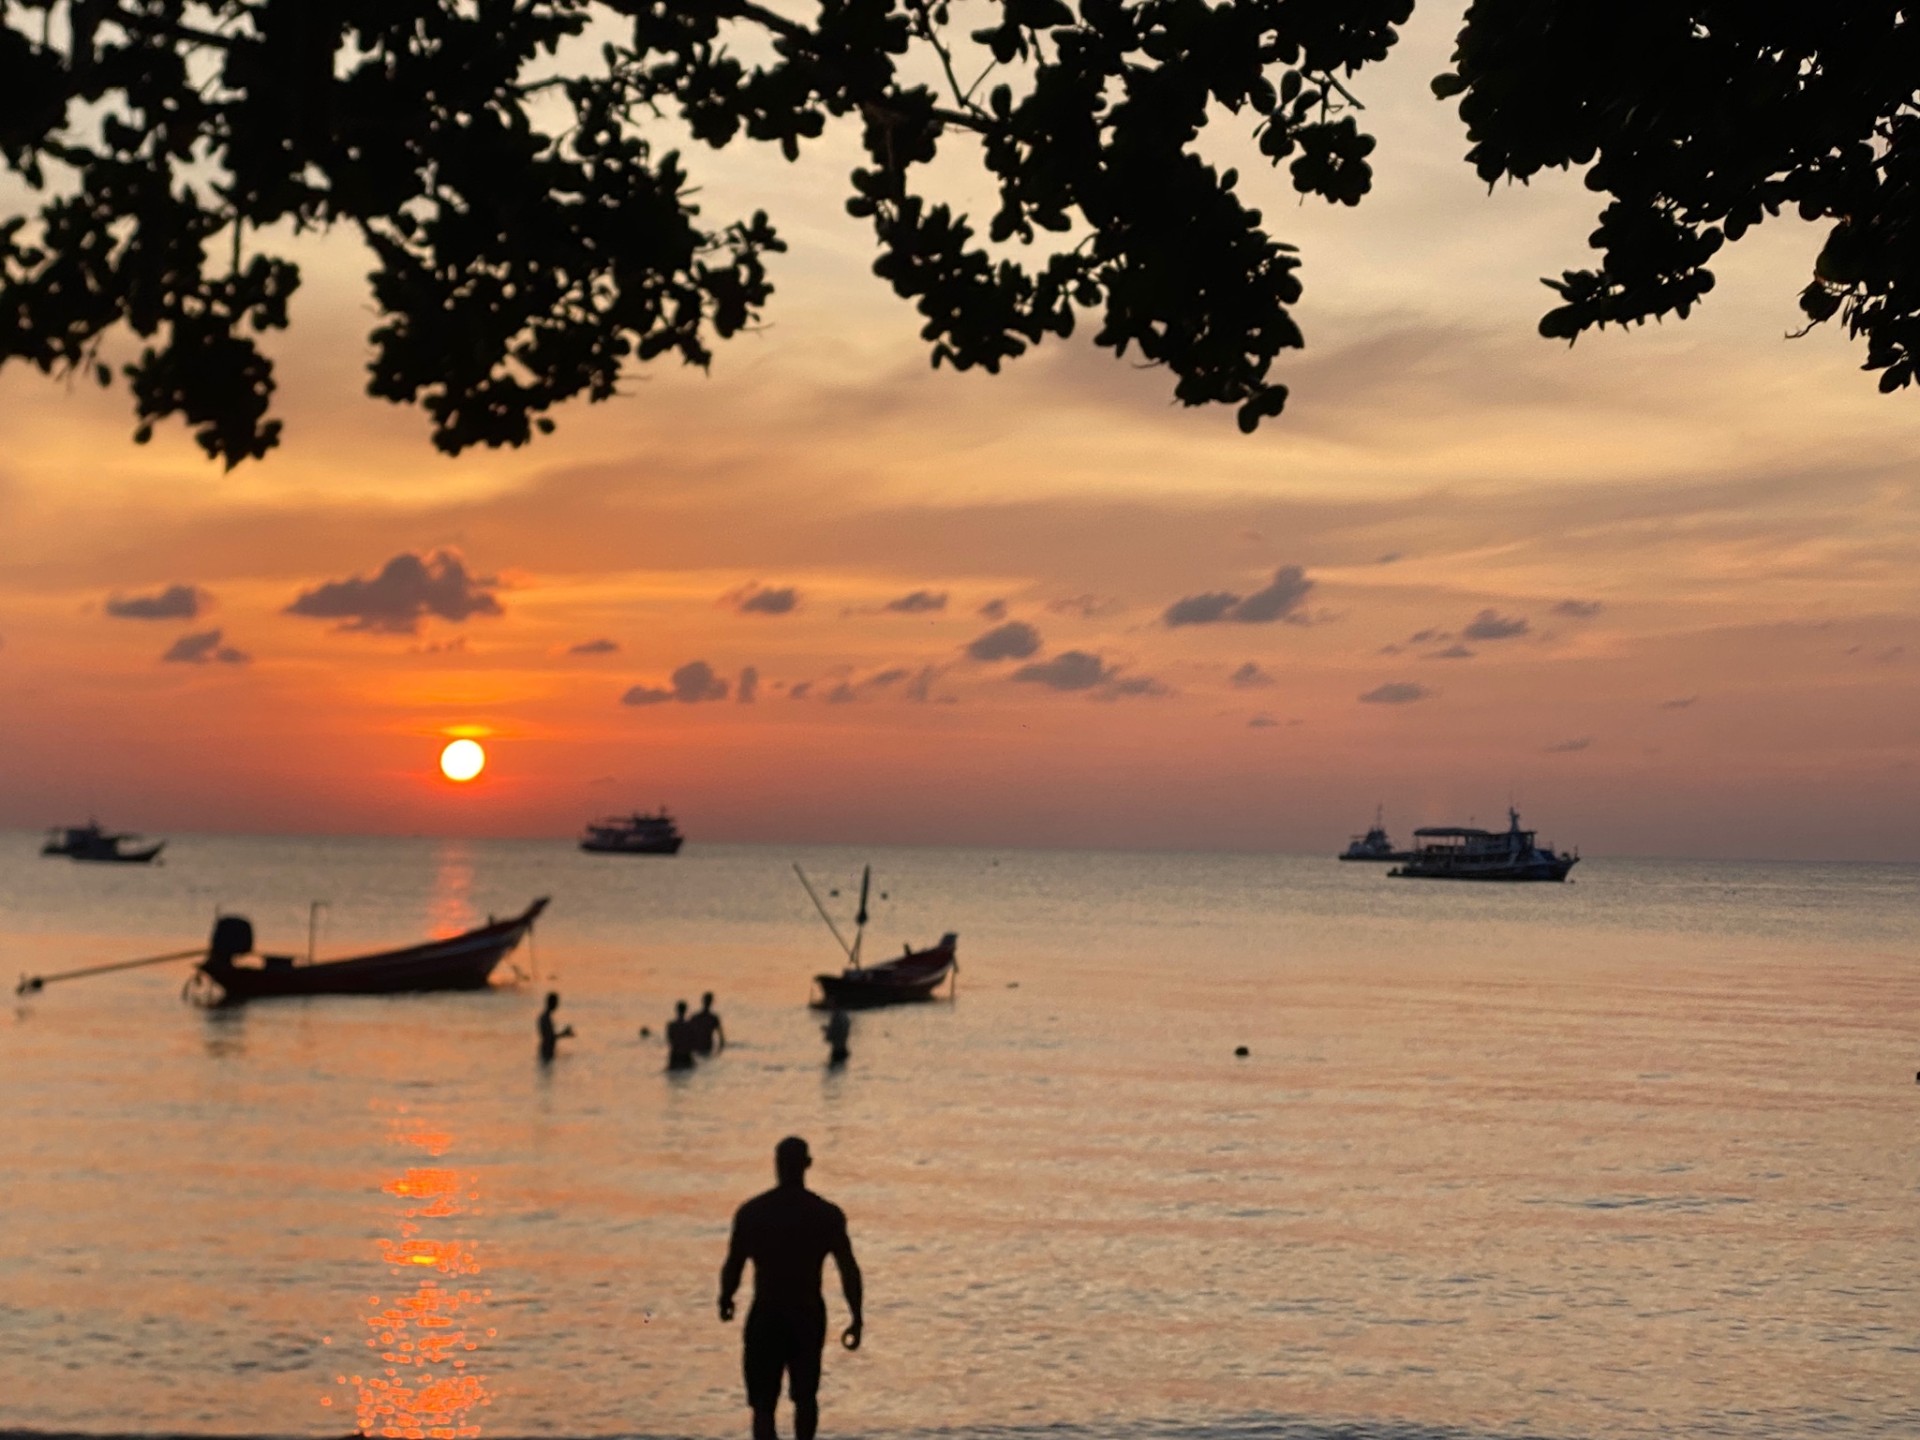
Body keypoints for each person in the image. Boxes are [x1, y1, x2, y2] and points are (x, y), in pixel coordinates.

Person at [719, 1137, 863, 1440]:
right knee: (805, 1397)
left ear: (777, 1165)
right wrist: (856, 1316)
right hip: (806, 1314)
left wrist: (726, 1297)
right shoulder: (826, 1214)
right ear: (807, 1165)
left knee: (762, 1405)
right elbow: (848, 1269)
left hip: (767, 1314)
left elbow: (734, 1263)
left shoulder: (753, 1213)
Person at [537, 991, 574, 1063]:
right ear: (551, 1003)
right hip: (547, 1049)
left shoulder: (546, 1017)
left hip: (548, 1049)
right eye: (556, 1002)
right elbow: (549, 1037)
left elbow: (550, 1036)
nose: (557, 1005)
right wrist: (564, 1033)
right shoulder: (545, 1018)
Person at [689, 991, 727, 1056]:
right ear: (712, 1002)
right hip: (706, 1046)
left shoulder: (696, 1017)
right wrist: (719, 1052)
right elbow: (721, 1038)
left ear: (702, 1001)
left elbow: (687, 1034)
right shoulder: (713, 1018)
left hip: (699, 1046)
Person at [665, 999, 697, 1070]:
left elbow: (670, 1040)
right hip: (686, 1055)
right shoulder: (689, 1025)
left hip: (675, 1055)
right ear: (685, 1010)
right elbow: (693, 1042)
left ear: (676, 1010)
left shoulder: (671, 1025)